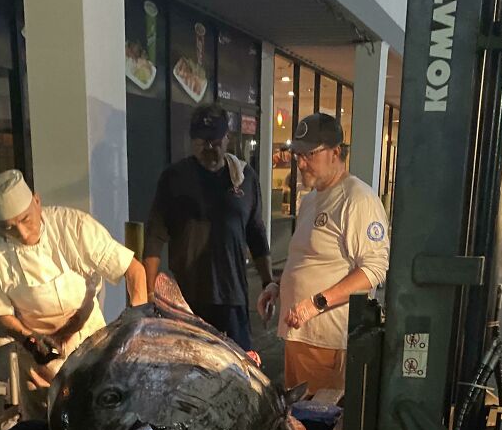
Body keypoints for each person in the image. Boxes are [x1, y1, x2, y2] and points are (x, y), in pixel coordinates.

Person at [0, 169, 147, 419]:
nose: (22, 234)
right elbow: (0, 312)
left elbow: (134, 271)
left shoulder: (74, 227)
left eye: (25, 220)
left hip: (88, 340)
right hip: (37, 353)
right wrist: (30, 340)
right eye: (9, 228)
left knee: (97, 417)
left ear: (37, 201)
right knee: (43, 427)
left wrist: (136, 328)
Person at [258, 113, 389, 393]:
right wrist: (276, 287)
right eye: (297, 154)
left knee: (320, 422)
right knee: (299, 416)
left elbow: (374, 269)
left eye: (309, 155)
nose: (301, 163)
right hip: (300, 333)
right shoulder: (311, 199)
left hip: (326, 338)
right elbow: (306, 258)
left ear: (335, 153)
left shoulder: (357, 199)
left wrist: (314, 304)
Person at [143, 104, 274, 352]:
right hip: (184, 301)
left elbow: (256, 233)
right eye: (202, 142)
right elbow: (154, 236)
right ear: (192, 142)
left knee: (237, 367)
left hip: (232, 297)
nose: (209, 148)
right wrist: (150, 294)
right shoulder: (174, 178)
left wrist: (268, 283)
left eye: (215, 141)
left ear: (228, 138)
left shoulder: (245, 178)